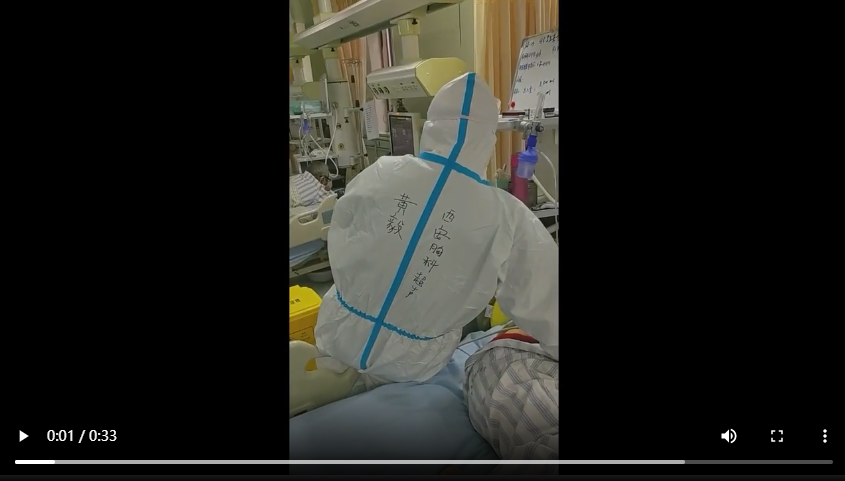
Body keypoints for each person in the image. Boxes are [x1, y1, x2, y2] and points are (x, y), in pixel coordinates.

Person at [313, 72, 558, 388]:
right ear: (488, 139)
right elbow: (545, 297)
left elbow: (343, 229)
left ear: (431, 126)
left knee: (319, 395)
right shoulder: (506, 216)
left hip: (335, 339)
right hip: (411, 369)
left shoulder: (383, 172)